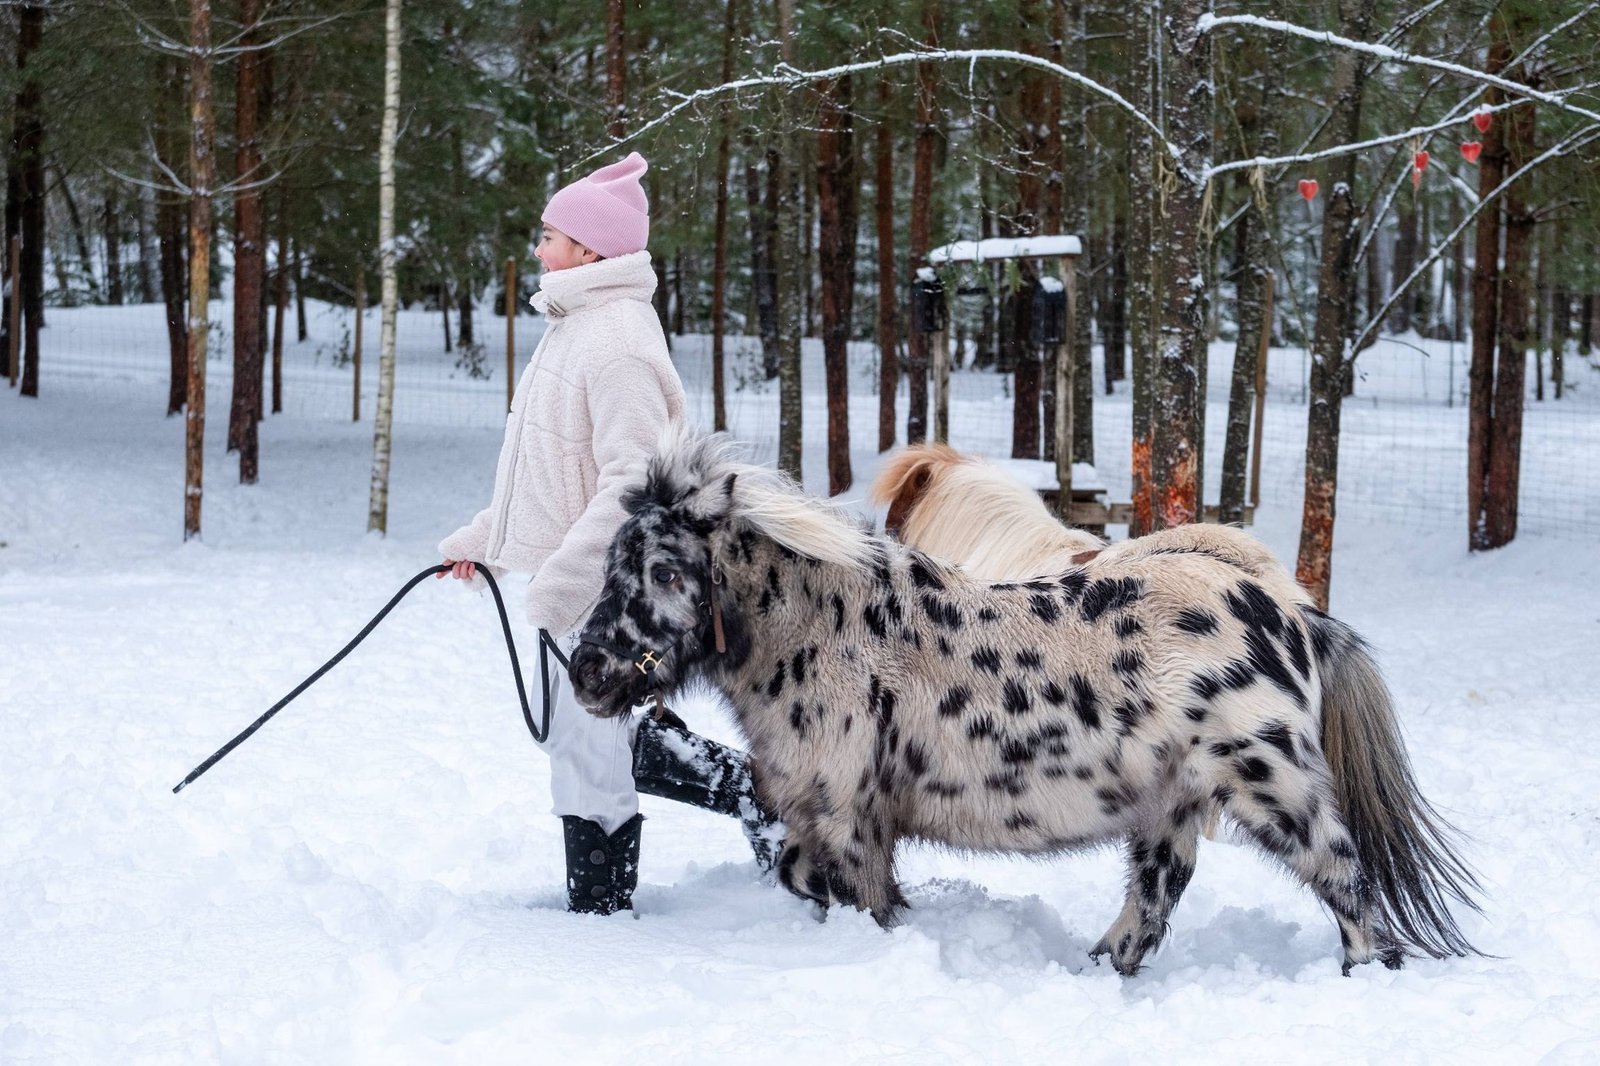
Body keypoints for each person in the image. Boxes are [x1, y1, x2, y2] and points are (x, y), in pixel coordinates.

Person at [438, 152, 780, 915]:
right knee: (575, 731)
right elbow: (548, 474)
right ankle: (758, 795)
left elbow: (631, 487)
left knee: (586, 747)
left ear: (590, 252)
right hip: (578, 579)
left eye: (550, 235)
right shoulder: (577, 328)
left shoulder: (619, 343)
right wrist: (485, 540)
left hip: (612, 593)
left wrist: (563, 580)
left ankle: (598, 915)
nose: (538, 248)